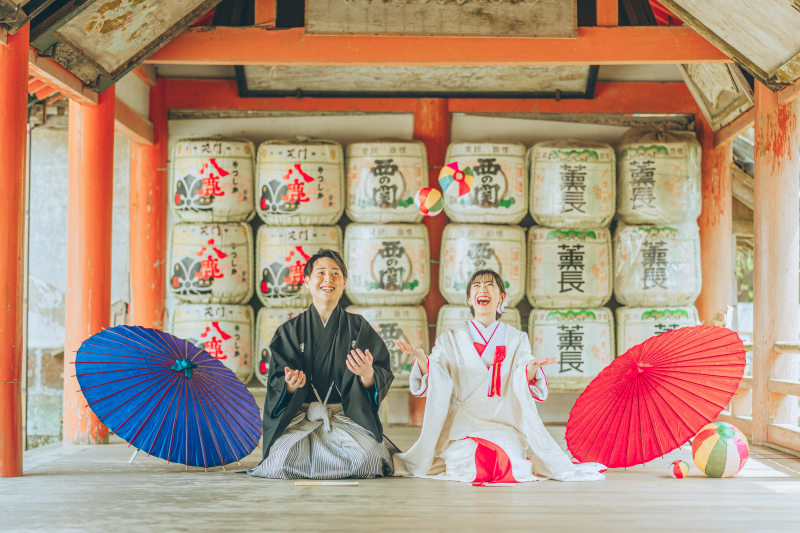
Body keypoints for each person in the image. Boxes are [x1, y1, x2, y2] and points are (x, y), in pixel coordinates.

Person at [393, 269, 605, 484]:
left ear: (502, 298)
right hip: (462, 427)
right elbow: (437, 372)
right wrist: (422, 360)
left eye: (489, 285)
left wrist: (530, 371)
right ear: (469, 298)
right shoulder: (450, 338)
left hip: (502, 425)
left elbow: (523, 373)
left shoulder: (517, 340)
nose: (482, 289)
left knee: (510, 463)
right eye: (476, 286)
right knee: (467, 463)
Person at [248, 249, 397, 479]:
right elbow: (277, 383)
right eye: (321, 273)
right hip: (301, 419)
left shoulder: (358, 328)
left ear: (344, 282)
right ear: (307, 281)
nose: (328, 279)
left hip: (346, 418)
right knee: (280, 461)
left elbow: (381, 373)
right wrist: (289, 386)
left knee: (368, 459)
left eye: (336, 274)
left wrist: (368, 375)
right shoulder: (289, 331)